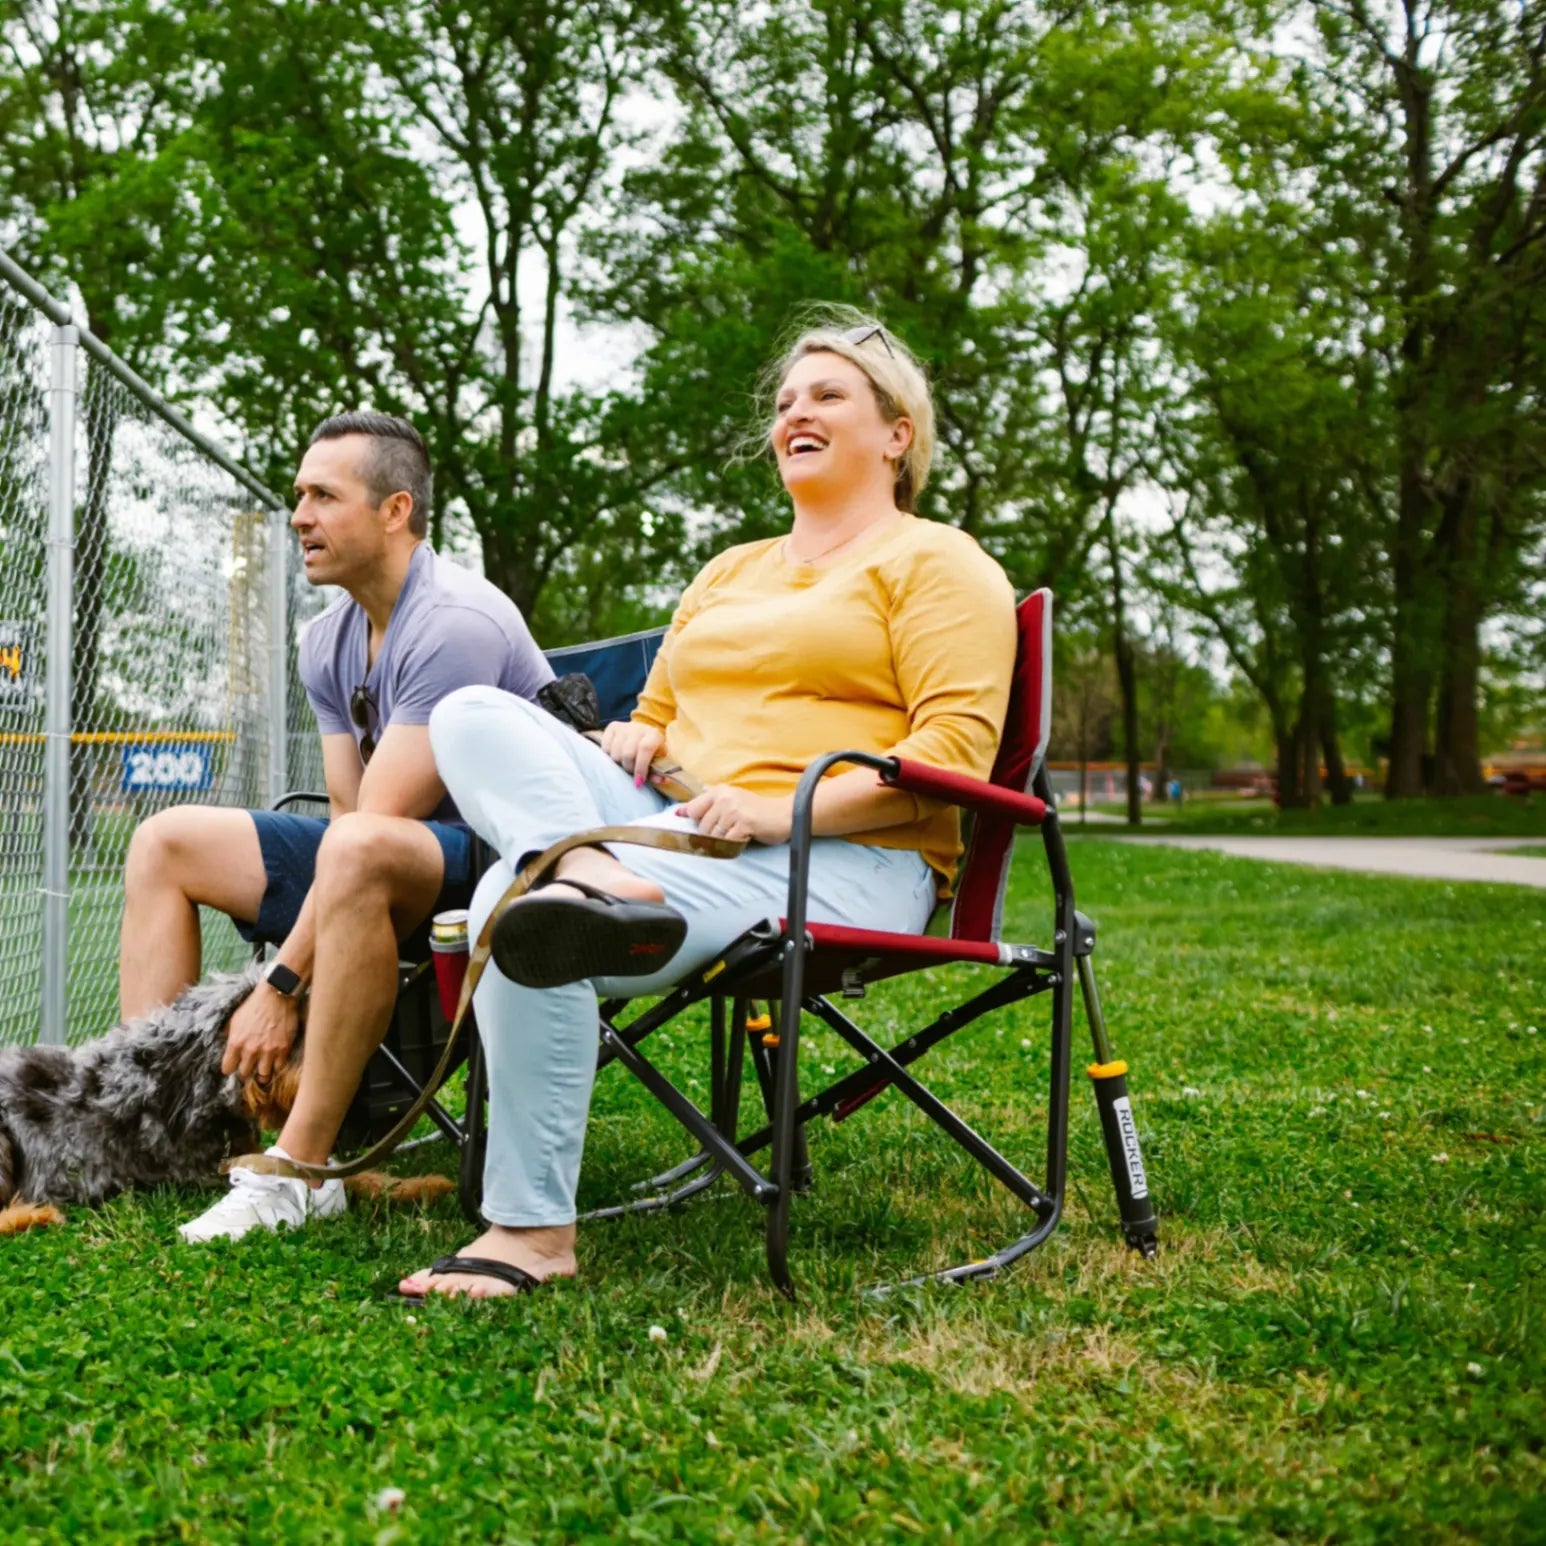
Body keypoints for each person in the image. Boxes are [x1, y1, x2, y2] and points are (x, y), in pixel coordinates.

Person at [399, 313, 1016, 1300]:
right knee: (474, 710)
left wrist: (780, 815)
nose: (793, 415)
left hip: (842, 859)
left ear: (897, 434)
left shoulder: (937, 562)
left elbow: (948, 755)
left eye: (825, 396)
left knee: (514, 902)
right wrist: (639, 740)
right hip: (675, 832)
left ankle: (526, 1231)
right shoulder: (729, 571)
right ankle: (587, 871)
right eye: (783, 403)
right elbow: (657, 718)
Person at [116, 411, 554, 1242]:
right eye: (297, 495)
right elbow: (350, 811)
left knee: (357, 848)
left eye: (323, 496)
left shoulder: (456, 622)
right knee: (164, 841)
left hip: (504, 859)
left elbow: (380, 823)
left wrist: (279, 989)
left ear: (395, 511)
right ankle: (159, 1121)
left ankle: (302, 1166)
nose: (299, 516)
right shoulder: (329, 637)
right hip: (383, 846)